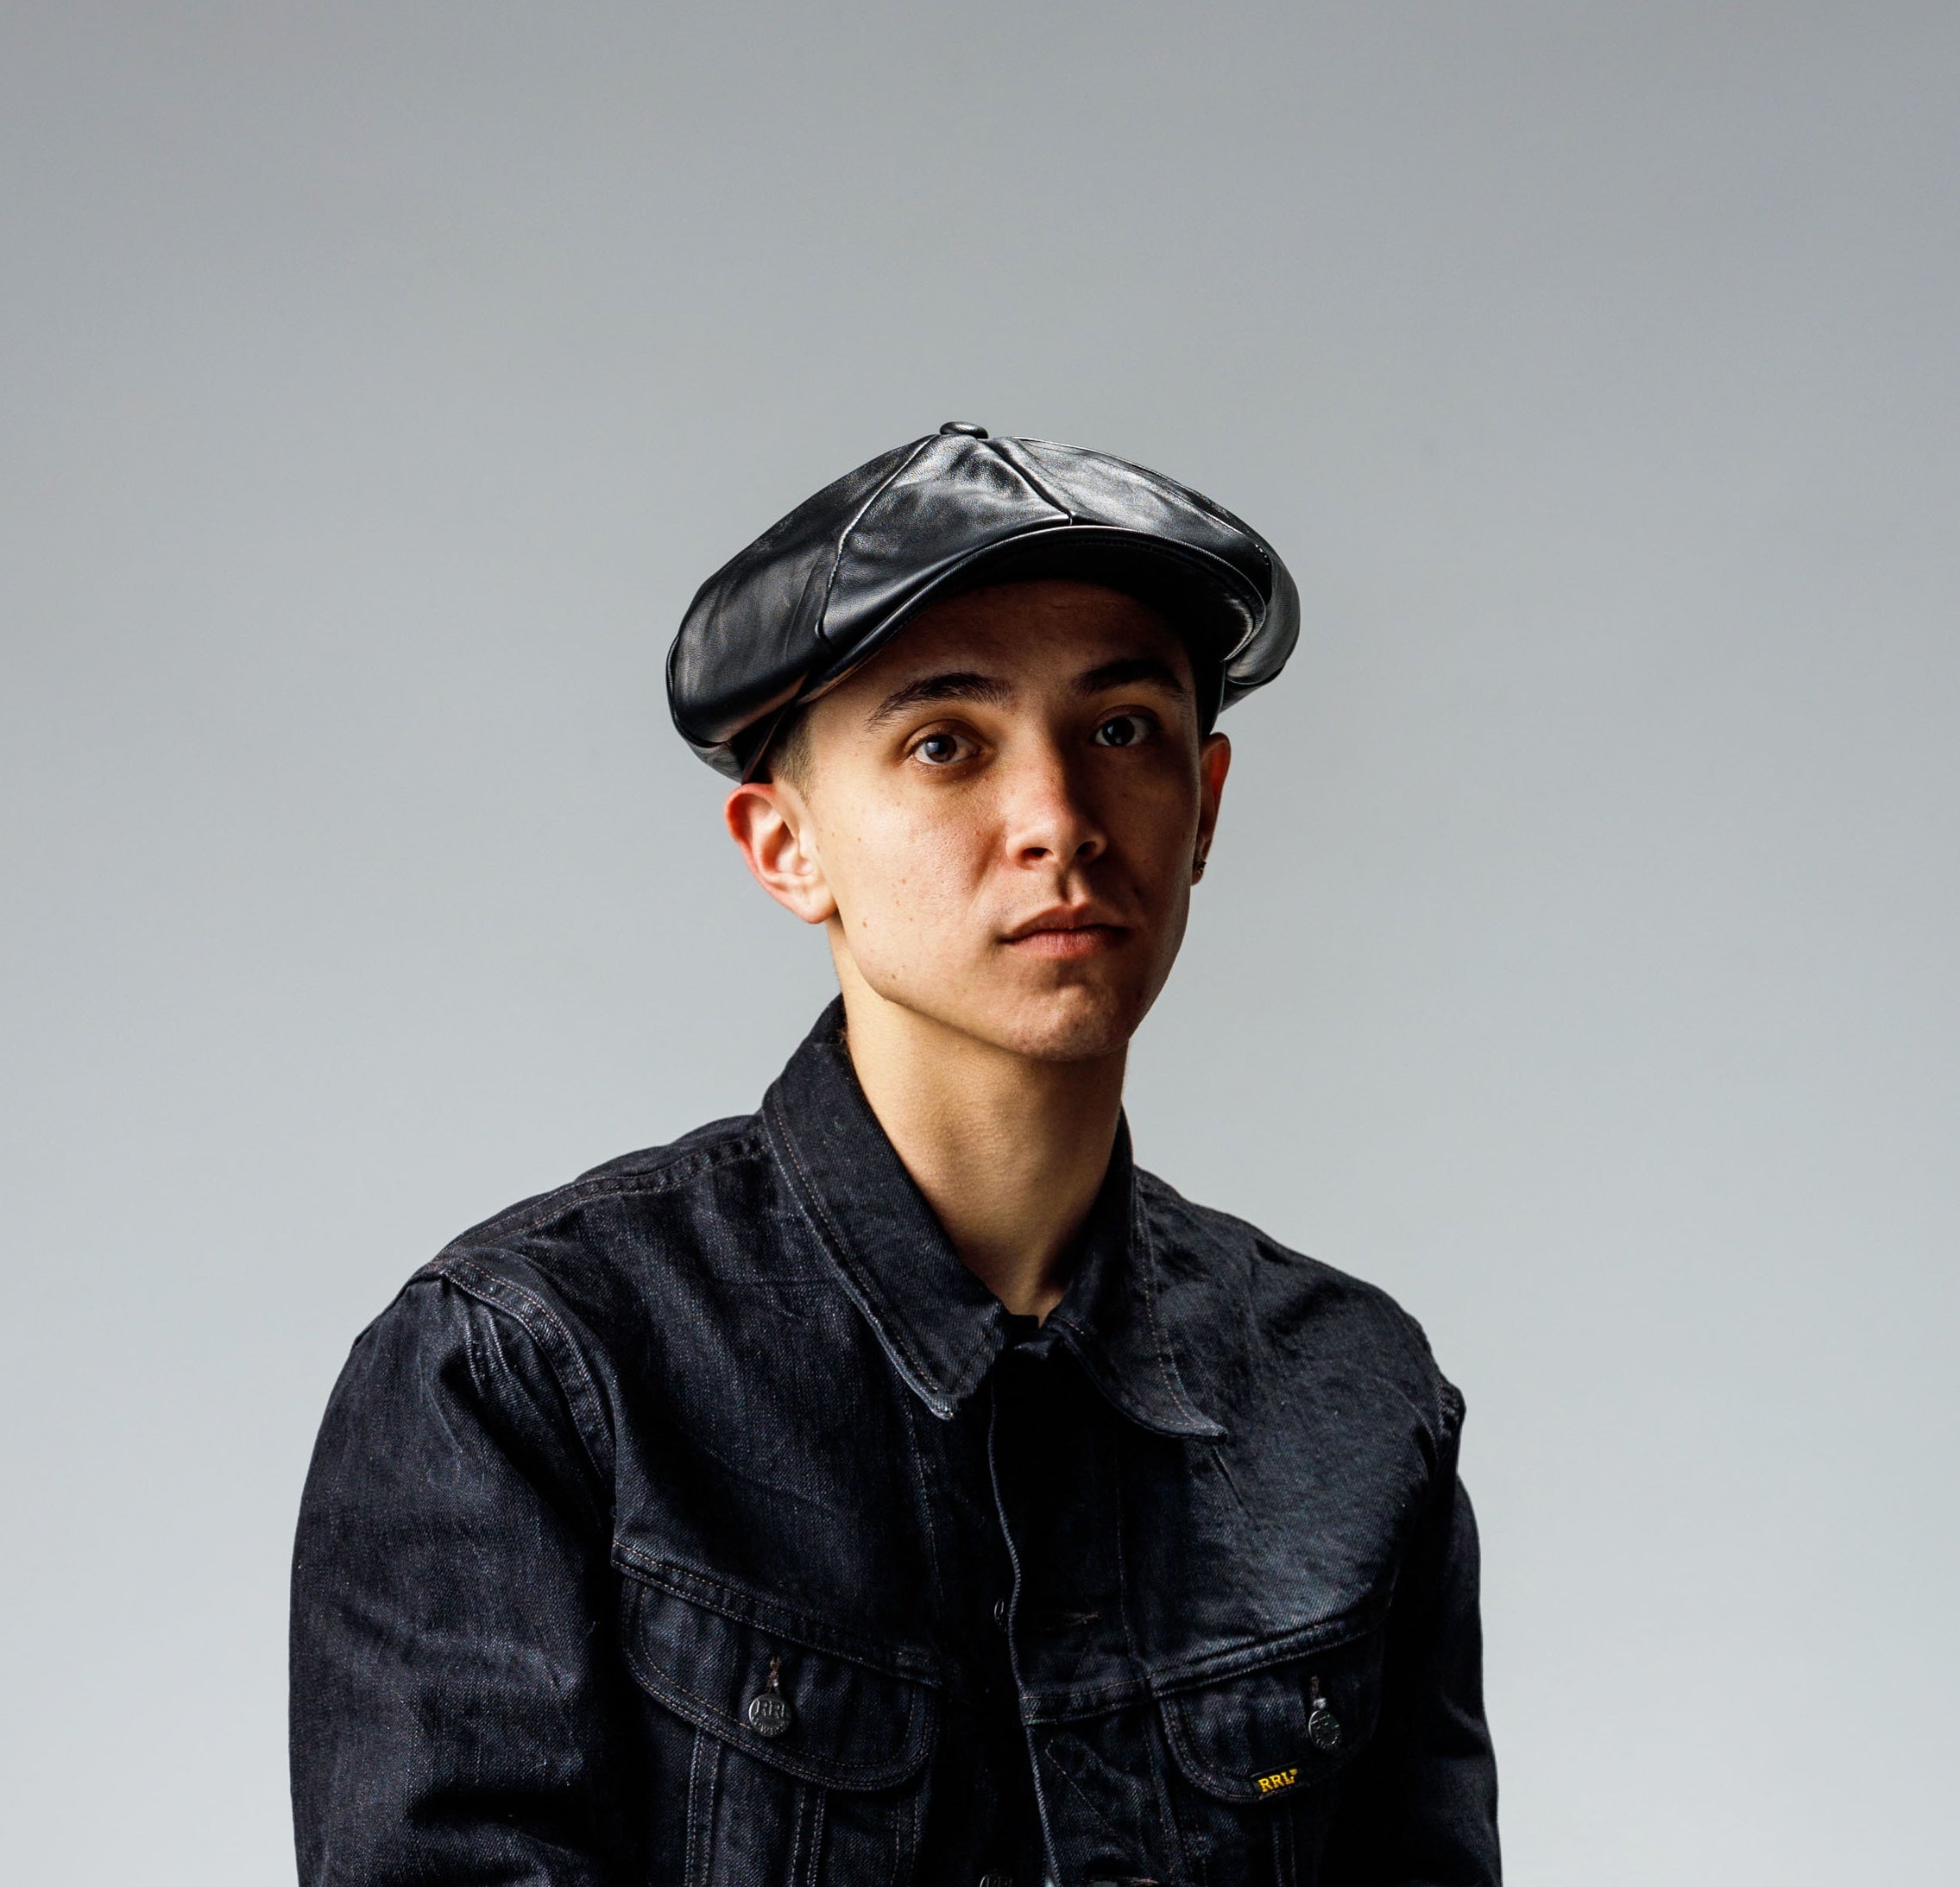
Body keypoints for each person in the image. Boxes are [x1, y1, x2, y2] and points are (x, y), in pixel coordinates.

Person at [290, 424, 1500, 1886]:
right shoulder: (529, 1373)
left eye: (1123, 730)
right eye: (946, 746)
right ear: (784, 847)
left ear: (1208, 804)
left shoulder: (1354, 1398)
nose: (1058, 821)